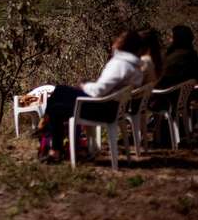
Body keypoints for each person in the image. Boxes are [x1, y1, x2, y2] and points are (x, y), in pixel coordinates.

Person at [40, 30, 144, 163]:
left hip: (100, 109)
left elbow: (98, 91)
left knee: (56, 105)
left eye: (118, 39)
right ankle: (50, 136)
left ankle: (52, 143)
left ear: (123, 44)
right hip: (111, 108)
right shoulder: (134, 67)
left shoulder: (120, 64)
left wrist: (84, 86)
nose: (115, 42)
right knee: (59, 93)